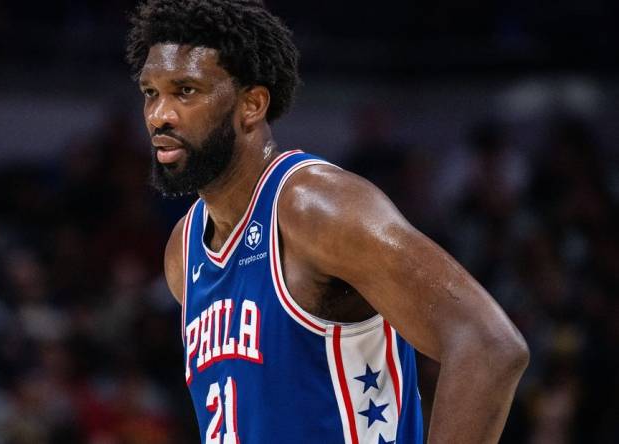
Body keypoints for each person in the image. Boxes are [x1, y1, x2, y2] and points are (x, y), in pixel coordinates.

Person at [126, 1, 529, 442]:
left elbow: (488, 346)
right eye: (151, 92)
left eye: (185, 91)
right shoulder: (184, 251)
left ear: (252, 104)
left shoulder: (317, 208)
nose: (159, 115)